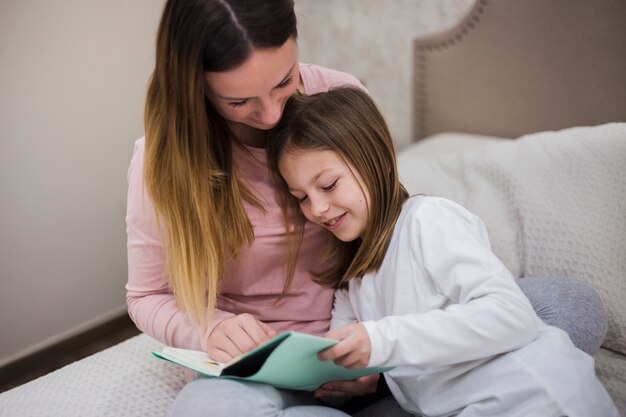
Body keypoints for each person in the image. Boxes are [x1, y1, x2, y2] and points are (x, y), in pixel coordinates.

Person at [125, 0, 608, 415]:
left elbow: (379, 230)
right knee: (208, 409)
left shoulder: (339, 98)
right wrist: (213, 329)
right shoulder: (161, 162)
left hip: (380, 348)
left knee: (568, 306)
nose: (272, 115)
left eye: (284, 81)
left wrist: (371, 359)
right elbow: (146, 296)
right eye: (239, 102)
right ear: (197, 87)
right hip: (280, 364)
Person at [266, 87, 619, 417]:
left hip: (536, 398)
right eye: (301, 198)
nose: (317, 209)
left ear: (378, 162)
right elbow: (350, 358)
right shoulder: (351, 283)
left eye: (328, 185)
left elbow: (513, 316)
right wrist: (350, 379)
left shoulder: (427, 221)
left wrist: (380, 341)